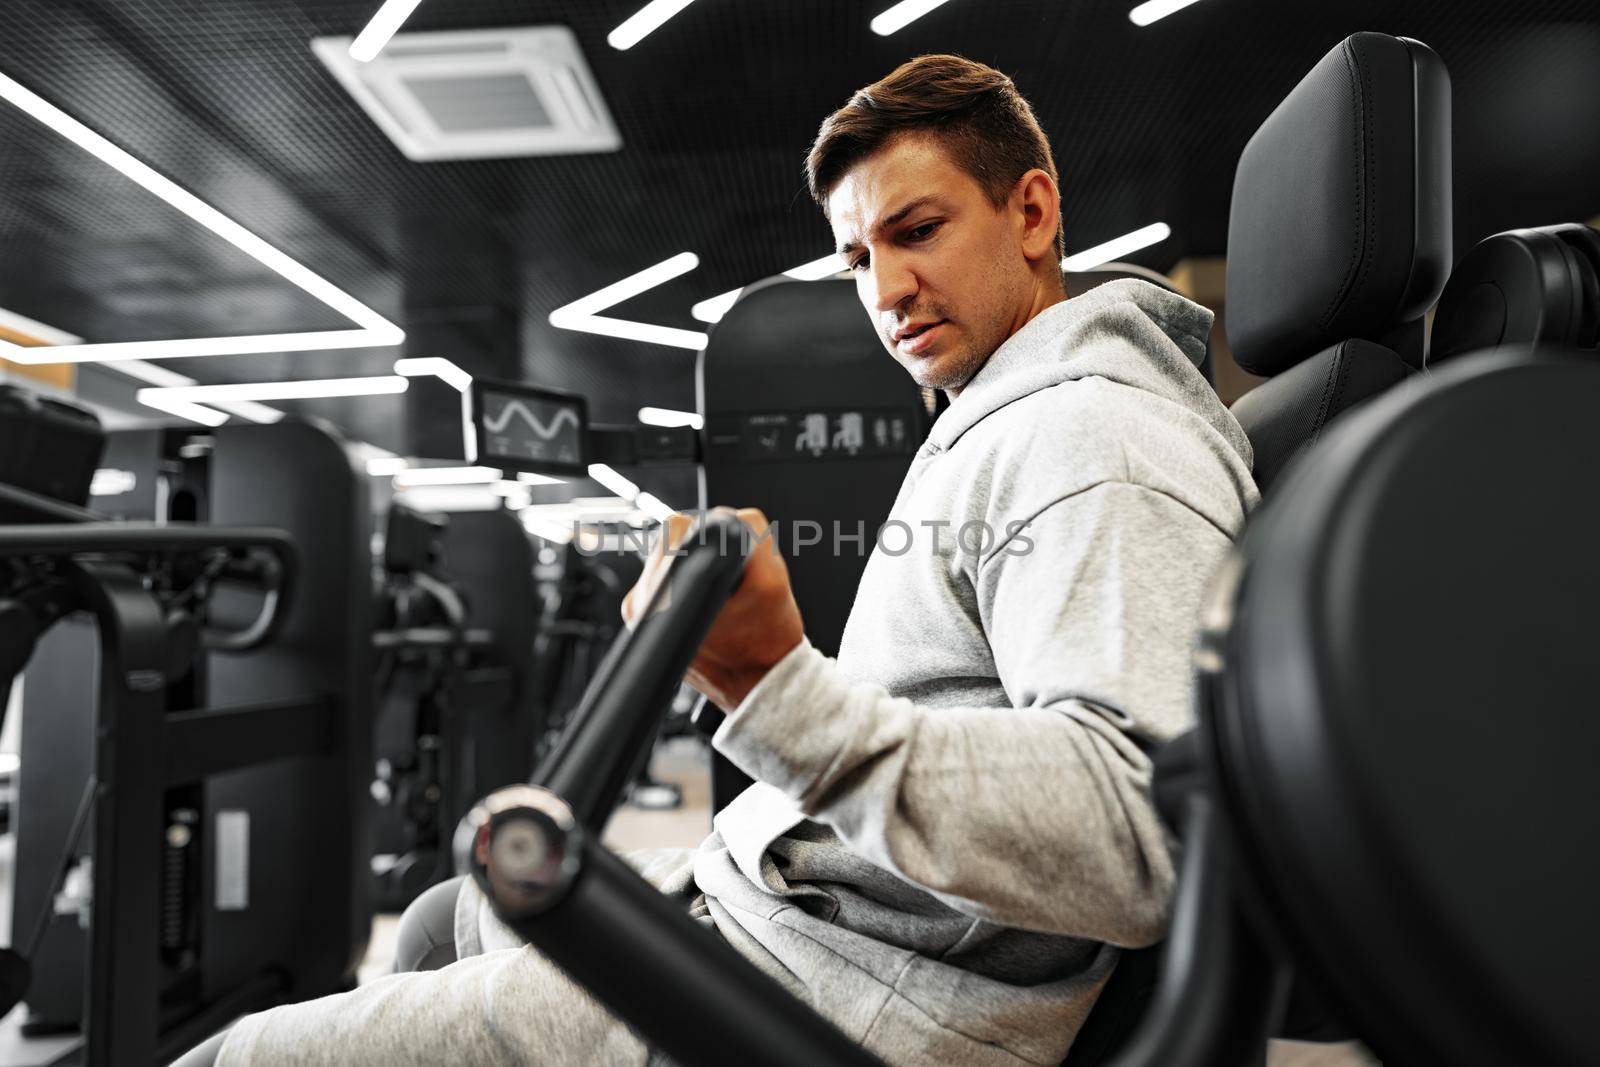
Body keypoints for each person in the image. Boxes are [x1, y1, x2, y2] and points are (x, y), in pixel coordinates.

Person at [182, 53, 1256, 1067]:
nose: (886, 288)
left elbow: (1140, 841)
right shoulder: (1001, 416)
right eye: (858, 257)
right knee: (435, 920)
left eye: (917, 230)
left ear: (1030, 212)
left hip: (843, 992)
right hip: (795, 915)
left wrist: (773, 689)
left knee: (232, 1057)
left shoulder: (1092, 440)